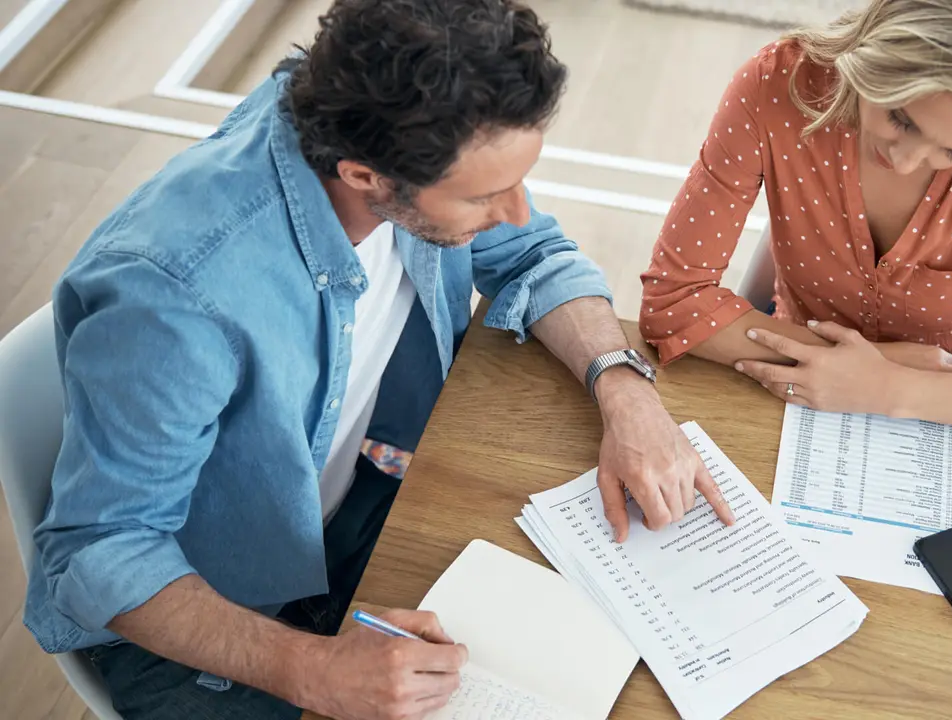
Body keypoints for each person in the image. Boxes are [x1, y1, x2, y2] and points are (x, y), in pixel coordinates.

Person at [23, 1, 733, 718]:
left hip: (342, 512)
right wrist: (314, 669)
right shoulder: (173, 301)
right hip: (204, 621)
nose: (516, 210)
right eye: (487, 195)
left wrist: (627, 392)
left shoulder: (382, 123)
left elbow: (534, 254)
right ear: (366, 176)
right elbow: (97, 551)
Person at [640, 0, 952, 451]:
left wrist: (891, 387)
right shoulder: (774, 88)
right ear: (879, 47)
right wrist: (861, 368)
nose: (906, 161)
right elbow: (673, 302)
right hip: (795, 395)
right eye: (901, 118)